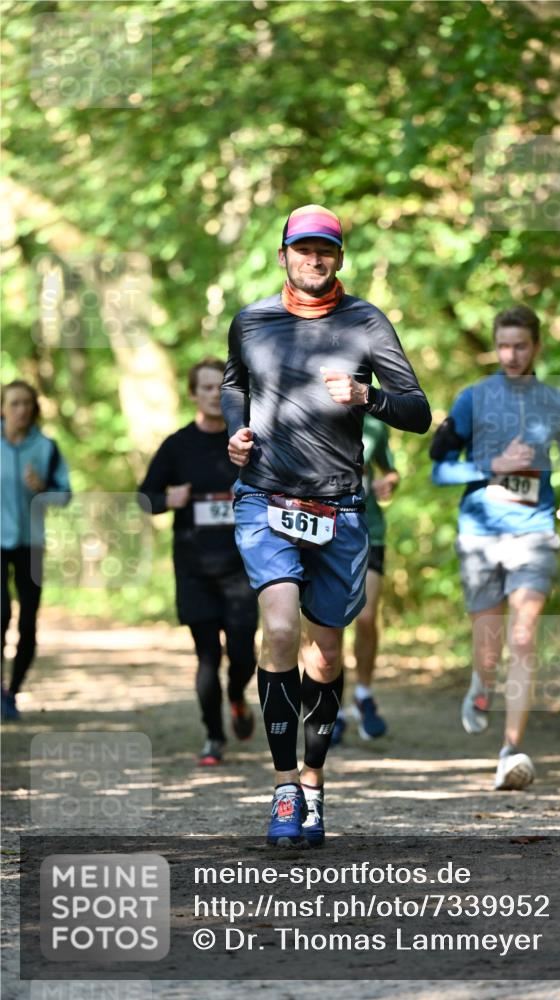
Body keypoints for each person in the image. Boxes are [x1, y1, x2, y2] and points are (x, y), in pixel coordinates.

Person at [222, 204, 431, 846]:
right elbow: (234, 384)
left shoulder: (365, 323)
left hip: (338, 507)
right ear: (284, 254)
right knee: (280, 630)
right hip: (265, 498)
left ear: (338, 258)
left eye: (326, 251)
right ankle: (285, 788)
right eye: (303, 249)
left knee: (327, 652)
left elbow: (418, 412)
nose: (314, 260)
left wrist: (368, 397)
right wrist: (237, 431)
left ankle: (313, 781)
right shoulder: (251, 321)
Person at [431, 305, 560, 790]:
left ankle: (510, 750)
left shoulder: (557, 403)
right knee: (491, 649)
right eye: (504, 345)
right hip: (479, 533)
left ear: (537, 346)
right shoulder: (472, 399)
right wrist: (490, 467)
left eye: (521, 345)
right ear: (495, 347)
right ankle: (481, 683)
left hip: (534, 530)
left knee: (523, 637)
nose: (512, 355)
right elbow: (439, 467)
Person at [139, 359, 258, 765]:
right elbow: (144, 497)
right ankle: (214, 738)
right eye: (205, 387)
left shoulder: (245, 440)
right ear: (193, 393)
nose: (212, 394)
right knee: (207, 655)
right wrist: (166, 499)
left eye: (219, 388)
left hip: (243, 564)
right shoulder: (177, 445)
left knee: (243, 653)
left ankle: (238, 695)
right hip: (194, 567)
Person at [1, 380, 71, 720]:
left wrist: (42, 489)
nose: (21, 410)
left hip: (32, 543)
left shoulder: (46, 447)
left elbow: (65, 495)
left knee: (28, 622)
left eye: (27, 403)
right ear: (2, 408)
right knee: (1, 614)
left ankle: (12, 692)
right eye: (14, 403)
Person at [332, 413, 399, 744]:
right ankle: (333, 707)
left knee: (367, 616)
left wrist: (389, 482)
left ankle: (364, 693)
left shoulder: (373, 422)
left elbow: (390, 470)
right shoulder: (302, 407)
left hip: (368, 530)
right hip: (321, 531)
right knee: (326, 624)